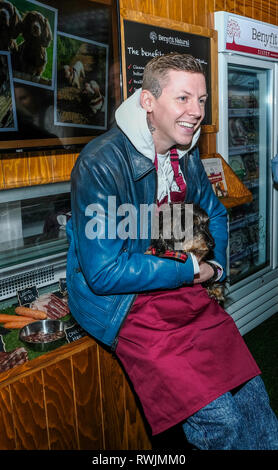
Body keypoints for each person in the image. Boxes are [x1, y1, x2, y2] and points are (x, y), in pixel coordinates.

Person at [66, 53, 278, 450]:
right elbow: (104, 272)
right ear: (148, 101)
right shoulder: (99, 163)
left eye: (200, 101)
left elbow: (214, 211)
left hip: (176, 280)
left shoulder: (186, 153)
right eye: (183, 99)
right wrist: (190, 270)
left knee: (253, 396)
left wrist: (213, 265)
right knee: (221, 421)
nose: (195, 112)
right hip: (123, 300)